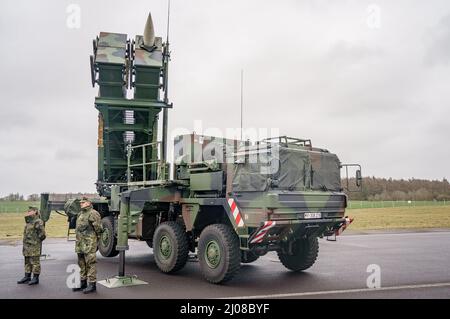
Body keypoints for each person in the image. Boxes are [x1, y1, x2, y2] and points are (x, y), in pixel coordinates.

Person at [72, 197, 103, 294]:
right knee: (81, 263)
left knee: (90, 264)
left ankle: (92, 285)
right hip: (80, 243)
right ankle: (83, 283)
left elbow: (99, 229)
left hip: (89, 243)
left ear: (89, 203)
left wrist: (96, 240)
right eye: (80, 202)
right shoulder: (80, 214)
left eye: (83, 202)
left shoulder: (93, 213)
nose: (81, 203)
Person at [17, 206, 46, 285]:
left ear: (35, 212)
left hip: (34, 246)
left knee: (35, 262)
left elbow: (42, 235)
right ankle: (27, 276)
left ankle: (35, 278)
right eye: (28, 211)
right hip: (27, 246)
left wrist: (36, 241)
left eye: (30, 211)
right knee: (27, 261)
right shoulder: (28, 222)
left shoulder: (38, 221)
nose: (28, 212)